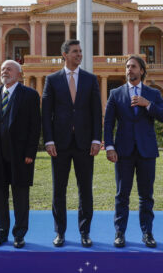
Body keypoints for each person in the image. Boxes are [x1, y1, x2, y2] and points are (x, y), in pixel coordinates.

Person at [104, 55, 163, 248]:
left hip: (146, 151)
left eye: (133, 66)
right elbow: (108, 123)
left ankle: (147, 233)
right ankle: (119, 233)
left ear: (141, 71)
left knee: (146, 196)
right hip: (123, 152)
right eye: (127, 67)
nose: (129, 70)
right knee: (121, 195)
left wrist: (147, 104)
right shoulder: (115, 93)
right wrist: (109, 147)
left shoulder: (152, 93)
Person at [42, 39, 102, 247]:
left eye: (80, 51)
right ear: (64, 55)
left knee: (85, 190)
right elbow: (46, 113)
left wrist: (96, 139)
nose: (79, 54)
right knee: (59, 190)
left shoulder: (90, 79)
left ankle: (85, 232)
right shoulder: (52, 80)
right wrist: (48, 140)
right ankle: (60, 233)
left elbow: (96, 111)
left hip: (85, 144)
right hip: (59, 144)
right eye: (75, 51)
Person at [0, 60, 41, 249]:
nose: (4, 71)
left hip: (21, 155)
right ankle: (1, 232)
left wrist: (31, 151)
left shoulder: (30, 95)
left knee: (20, 195)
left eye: (9, 69)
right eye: (2, 69)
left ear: (19, 74)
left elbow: (35, 126)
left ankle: (19, 234)